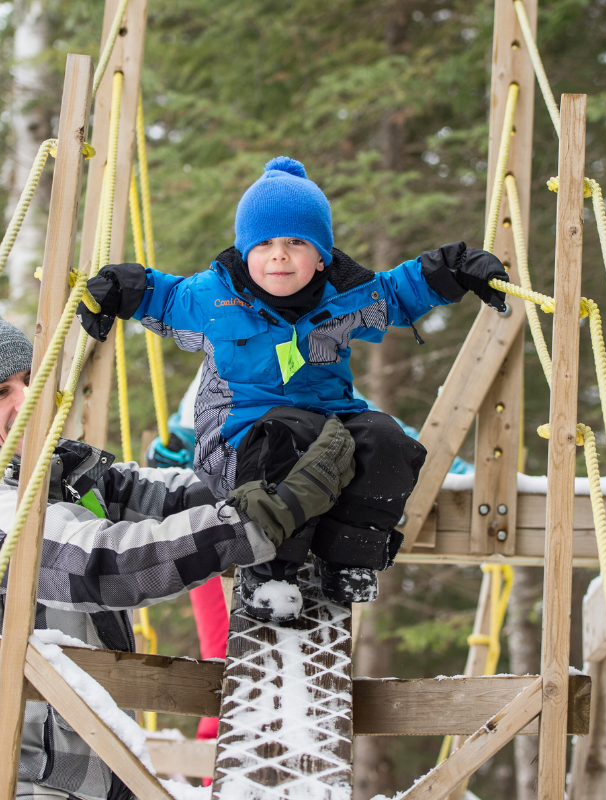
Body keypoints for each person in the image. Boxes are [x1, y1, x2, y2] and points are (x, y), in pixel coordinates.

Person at [0, 307, 356, 800]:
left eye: (30, 380)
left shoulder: (58, 471)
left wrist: (261, 479)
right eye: (0, 392)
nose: (27, 400)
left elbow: (165, 496)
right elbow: (99, 565)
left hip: (98, 768)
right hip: (14, 777)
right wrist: (264, 517)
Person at [78, 156, 509, 622]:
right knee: (287, 433)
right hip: (241, 447)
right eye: (264, 243)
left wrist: (457, 269)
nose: (278, 255)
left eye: (296, 242)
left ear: (321, 256)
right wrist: (115, 288)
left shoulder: (347, 297)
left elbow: (402, 290)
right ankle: (270, 570)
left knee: (387, 440)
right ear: (245, 252)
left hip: (327, 431)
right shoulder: (212, 296)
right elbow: (158, 295)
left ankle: (347, 559)